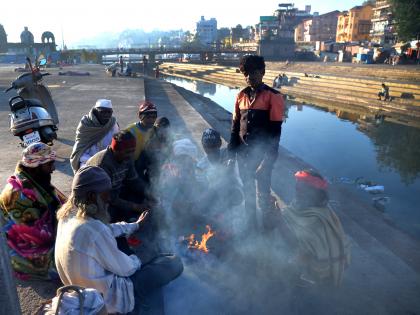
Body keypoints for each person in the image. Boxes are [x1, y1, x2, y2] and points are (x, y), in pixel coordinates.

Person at [55, 166, 183, 315]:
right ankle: (143, 308)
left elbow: (107, 230)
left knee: (126, 245)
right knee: (172, 263)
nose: (109, 198)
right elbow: (126, 268)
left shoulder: (67, 217)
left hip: (79, 287)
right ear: (91, 196)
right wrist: (143, 257)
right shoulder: (93, 230)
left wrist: (135, 225)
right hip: (106, 299)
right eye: (105, 194)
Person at [228, 54, 284, 231]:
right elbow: (235, 128)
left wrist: (267, 162)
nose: (248, 77)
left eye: (253, 72)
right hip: (243, 155)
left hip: (262, 156)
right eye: (245, 73)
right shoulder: (240, 96)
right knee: (247, 190)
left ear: (262, 72)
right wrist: (231, 154)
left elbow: (275, 133)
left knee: (263, 192)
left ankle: (267, 226)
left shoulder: (274, 97)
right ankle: (251, 223)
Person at [0, 143, 66, 279]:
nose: (53, 169)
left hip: (44, 238)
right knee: (71, 264)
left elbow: (60, 202)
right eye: (49, 165)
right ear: (36, 167)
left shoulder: (35, 180)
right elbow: (38, 238)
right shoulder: (17, 195)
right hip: (28, 251)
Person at [280, 169, 350, 287]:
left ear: (312, 192)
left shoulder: (316, 218)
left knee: (291, 256)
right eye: (297, 184)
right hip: (314, 252)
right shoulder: (306, 203)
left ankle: (301, 277)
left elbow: (298, 242)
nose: (296, 189)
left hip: (321, 266)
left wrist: (277, 220)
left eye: (300, 187)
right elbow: (290, 216)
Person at [70, 99, 119, 173]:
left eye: (109, 112)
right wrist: (97, 162)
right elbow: (80, 152)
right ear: (96, 112)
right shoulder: (86, 124)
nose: (106, 115)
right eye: (103, 112)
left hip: (108, 160)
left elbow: (116, 145)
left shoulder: (112, 124)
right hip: (88, 161)